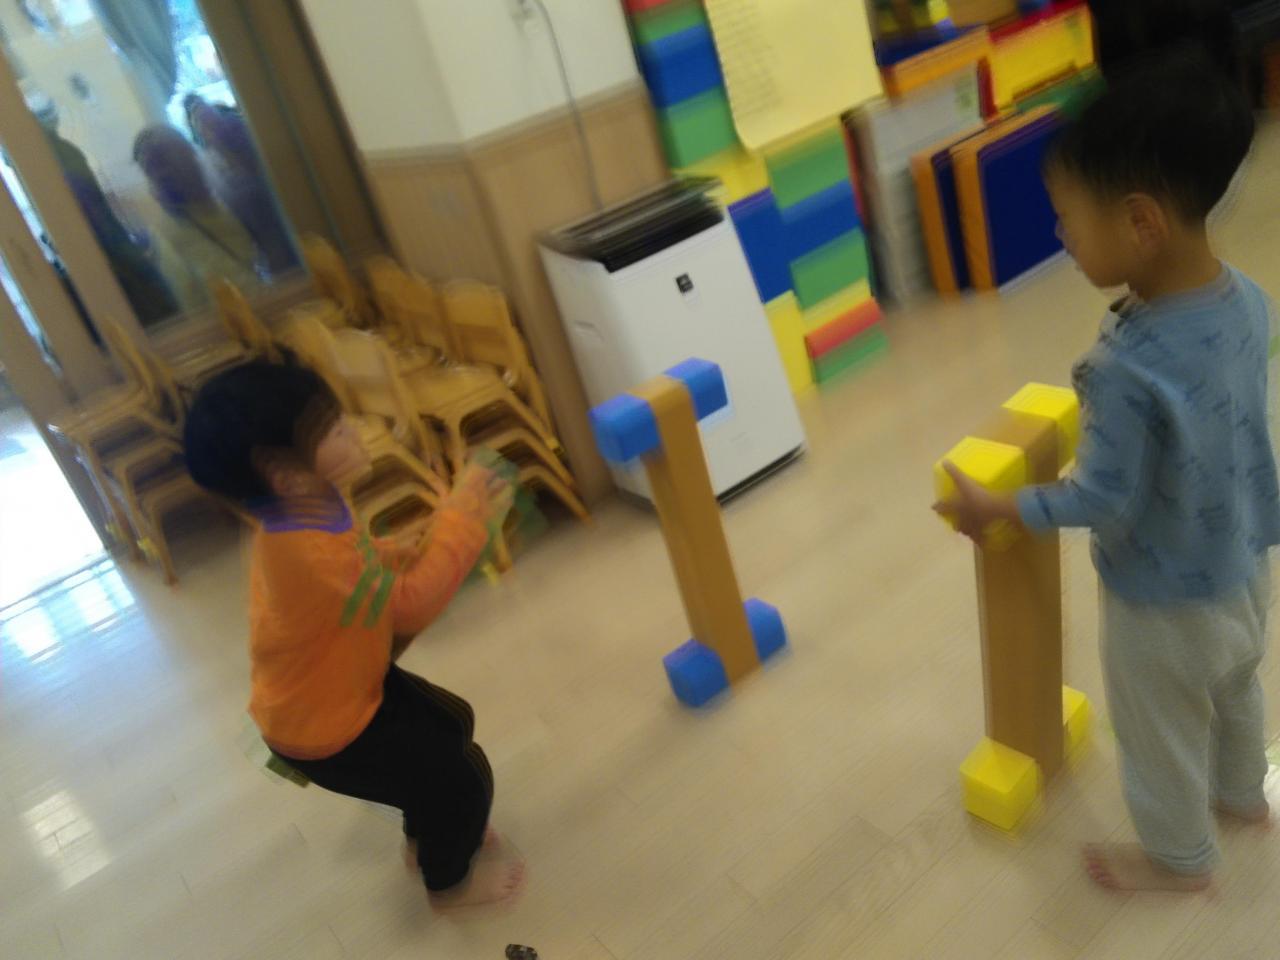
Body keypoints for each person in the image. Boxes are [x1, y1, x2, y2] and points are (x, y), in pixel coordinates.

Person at [935, 55, 1280, 892]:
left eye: (1068, 219)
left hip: (1161, 603)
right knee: (1237, 683)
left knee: (1158, 730)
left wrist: (1000, 507)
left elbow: (1103, 496)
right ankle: (1244, 796)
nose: (1062, 237)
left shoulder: (1125, 369)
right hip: (1243, 565)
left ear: (1140, 223)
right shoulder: (1249, 299)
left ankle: (1178, 860)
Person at [182, 359, 527, 908]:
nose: (353, 428)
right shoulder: (303, 550)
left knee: (451, 724)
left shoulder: (310, 510)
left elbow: (358, 563)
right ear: (286, 475)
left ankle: (430, 833)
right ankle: (448, 885)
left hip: (343, 688)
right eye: (333, 428)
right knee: (461, 779)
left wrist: (402, 551)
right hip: (327, 730)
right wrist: (465, 519)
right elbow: (410, 606)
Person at [132, 124, 260, 309]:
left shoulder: (228, 202)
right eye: (152, 169)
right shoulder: (165, 234)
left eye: (167, 163)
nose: (162, 175)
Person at [185, 95, 299, 276]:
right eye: (202, 125)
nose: (208, 129)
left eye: (210, 122)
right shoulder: (210, 166)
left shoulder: (235, 130)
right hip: (264, 240)